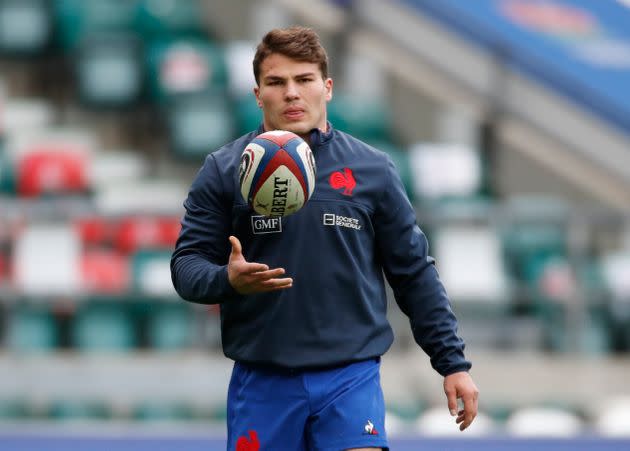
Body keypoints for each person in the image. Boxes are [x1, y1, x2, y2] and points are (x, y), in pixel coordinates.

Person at [171, 26, 478, 451]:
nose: (292, 93)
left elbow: (414, 273)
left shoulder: (373, 170)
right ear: (258, 94)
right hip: (263, 379)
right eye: (276, 83)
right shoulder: (224, 171)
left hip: (349, 376)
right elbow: (186, 267)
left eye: (304, 80)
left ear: (327, 87)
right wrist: (228, 279)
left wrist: (453, 364)